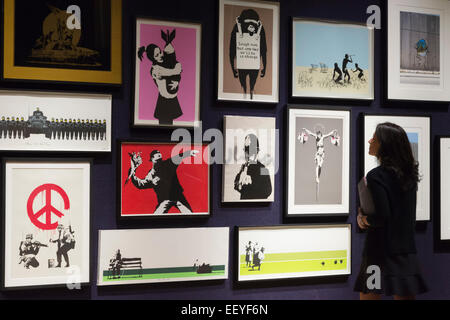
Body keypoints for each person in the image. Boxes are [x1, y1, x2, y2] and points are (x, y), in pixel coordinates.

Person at [354, 122, 428, 300]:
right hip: (404, 251)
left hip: (377, 253)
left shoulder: (375, 176)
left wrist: (363, 220)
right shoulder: (409, 175)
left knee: (369, 296)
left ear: (384, 144)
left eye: (375, 138)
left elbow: (381, 217)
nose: (370, 141)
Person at [128, 149, 199, 214]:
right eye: (157, 160)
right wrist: (132, 173)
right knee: (156, 217)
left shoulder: (168, 164)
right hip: (164, 200)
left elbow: (178, 157)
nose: (159, 162)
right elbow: (141, 184)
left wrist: (188, 153)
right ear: (152, 159)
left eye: (160, 159)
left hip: (178, 197)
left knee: (189, 214)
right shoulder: (151, 175)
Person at [138, 30, 183, 125]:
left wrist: (177, 82)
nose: (161, 55)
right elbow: (174, 71)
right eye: (157, 55)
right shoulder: (155, 70)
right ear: (152, 58)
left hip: (172, 98)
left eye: (160, 52)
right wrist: (177, 67)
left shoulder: (165, 63)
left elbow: (177, 72)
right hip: (164, 101)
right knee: (165, 124)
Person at [234, 134, 272, 200]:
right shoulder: (244, 167)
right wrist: (239, 183)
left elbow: (268, 191)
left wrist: (251, 184)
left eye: (249, 149)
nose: (247, 153)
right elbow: (236, 185)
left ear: (257, 151)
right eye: (245, 149)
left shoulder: (263, 169)